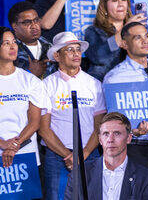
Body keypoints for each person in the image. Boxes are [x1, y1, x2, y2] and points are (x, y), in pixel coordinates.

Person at [102, 21, 148, 190]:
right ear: (124, 44)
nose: (145, 40)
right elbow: (110, 123)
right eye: (137, 37)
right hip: (130, 150)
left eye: (146, 36)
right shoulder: (115, 78)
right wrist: (132, 132)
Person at [40, 31, 106, 200]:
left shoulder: (94, 84)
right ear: (57, 55)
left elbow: (99, 126)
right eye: (70, 50)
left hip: (89, 154)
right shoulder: (47, 85)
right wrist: (67, 155)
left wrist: (83, 154)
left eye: (78, 49)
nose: (76, 54)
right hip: (57, 157)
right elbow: (44, 129)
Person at [0, 27, 46, 169]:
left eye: (14, 42)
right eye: (6, 43)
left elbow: (35, 122)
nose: (13, 46)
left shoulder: (31, 81)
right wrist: (1, 143)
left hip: (24, 153)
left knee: (28, 192)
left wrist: (13, 145)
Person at [64, 111, 148, 200]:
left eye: (117, 133)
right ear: (100, 139)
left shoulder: (146, 178)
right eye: (106, 134)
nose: (110, 139)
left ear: (128, 138)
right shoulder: (80, 175)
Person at [84, 0, 146, 80]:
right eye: (114, 0)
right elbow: (99, 56)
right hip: (104, 86)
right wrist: (125, 30)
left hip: (133, 86)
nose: (121, 4)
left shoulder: (137, 30)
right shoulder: (93, 31)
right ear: (104, 6)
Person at [9, 0, 52, 77]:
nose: (34, 26)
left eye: (36, 20)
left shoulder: (50, 47)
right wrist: (29, 74)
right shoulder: (6, 50)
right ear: (15, 26)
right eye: (27, 22)